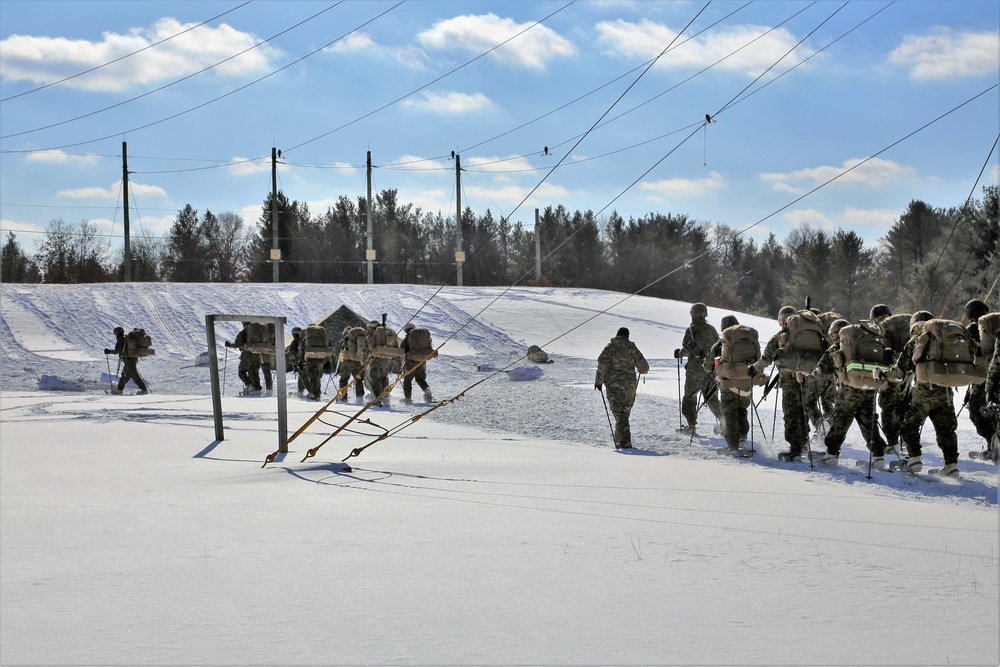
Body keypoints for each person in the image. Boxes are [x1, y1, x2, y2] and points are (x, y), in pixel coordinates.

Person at [878, 311, 960, 476]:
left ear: (915, 326)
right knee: (946, 430)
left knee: (909, 426)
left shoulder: (915, 341)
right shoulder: (944, 340)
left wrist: (882, 374)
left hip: (923, 391)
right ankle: (951, 466)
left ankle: (914, 459)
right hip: (945, 392)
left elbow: (900, 372)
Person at [801, 319, 887, 468]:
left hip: (849, 389)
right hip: (869, 387)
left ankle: (831, 455)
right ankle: (878, 456)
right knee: (869, 421)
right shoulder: (866, 345)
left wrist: (807, 378)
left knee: (841, 421)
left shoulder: (838, 346)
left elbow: (822, 370)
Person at [751, 306, 813, 461]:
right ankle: (804, 443)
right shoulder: (810, 336)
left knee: (791, 413)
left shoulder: (780, 337)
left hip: (790, 380)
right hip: (809, 379)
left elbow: (766, 359)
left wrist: (754, 368)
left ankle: (795, 449)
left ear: (783, 321)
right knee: (803, 411)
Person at [703, 315, 755, 454]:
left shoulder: (721, 344)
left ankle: (732, 446)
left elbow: (707, 366)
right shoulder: (747, 341)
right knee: (742, 410)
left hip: (728, 384)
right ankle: (742, 438)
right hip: (746, 383)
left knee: (729, 413)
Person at [595, 327, 649, 449]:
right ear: (627, 336)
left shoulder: (610, 347)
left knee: (619, 413)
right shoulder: (632, 348)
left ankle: (625, 440)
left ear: (617, 335)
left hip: (614, 385)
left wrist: (599, 381)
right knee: (623, 412)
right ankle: (619, 438)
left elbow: (602, 363)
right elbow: (644, 367)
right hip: (630, 386)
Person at [677, 302, 722, 435]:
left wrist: (679, 354)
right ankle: (724, 422)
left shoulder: (691, 330)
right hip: (710, 370)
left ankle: (691, 425)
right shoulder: (712, 330)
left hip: (694, 371)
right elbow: (718, 348)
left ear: (694, 314)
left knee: (689, 397)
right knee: (711, 398)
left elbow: (686, 349)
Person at [964, 298, 994, 453]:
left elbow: (971, 353)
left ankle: (992, 444)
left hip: (983, 378)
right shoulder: (995, 326)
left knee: (977, 411)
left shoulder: (973, 329)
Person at [104, 326, 149, 395]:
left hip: (129, 360)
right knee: (125, 375)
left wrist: (109, 351)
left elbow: (117, 350)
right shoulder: (126, 338)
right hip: (132, 358)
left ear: (117, 333)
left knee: (134, 374)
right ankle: (119, 390)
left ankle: (144, 389)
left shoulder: (121, 339)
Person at [400, 323, 433, 402]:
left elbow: (402, 348)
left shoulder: (409, 336)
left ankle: (408, 398)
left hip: (411, 361)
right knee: (420, 379)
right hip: (422, 361)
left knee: (407, 380)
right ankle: (427, 390)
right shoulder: (421, 335)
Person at [225, 322, 261, 394]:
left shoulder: (243, 333)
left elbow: (238, 344)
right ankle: (257, 388)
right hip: (258, 354)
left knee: (241, 371)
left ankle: (249, 385)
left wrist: (229, 345)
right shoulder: (258, 332)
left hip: (247, 355)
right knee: (254, 371)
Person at [337, 326, 366, 403]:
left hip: (347, 361)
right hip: (358, 361)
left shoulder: (346, 339)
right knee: (358, 379)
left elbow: (337, 349)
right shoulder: (360, 338)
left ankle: (343, 397)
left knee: (344, 378)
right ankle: (359, 398)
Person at [287, 327, 306, 395]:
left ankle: (300, 391)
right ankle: (314, 392)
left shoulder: (295, 341)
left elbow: (292, 352)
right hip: (309, 360)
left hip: (301, 361)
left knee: (302, 376)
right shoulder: (306, 340)